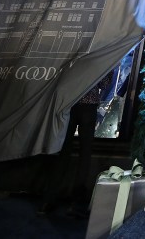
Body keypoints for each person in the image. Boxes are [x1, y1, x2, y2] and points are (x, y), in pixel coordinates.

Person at [37, 73, 112, 217]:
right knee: (84, 154)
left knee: (62, 150)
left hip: (68, 103)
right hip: (88, 105)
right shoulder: (100, 59)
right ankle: (76, 203)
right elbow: (104, 84)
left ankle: (49, 199)